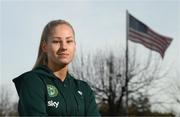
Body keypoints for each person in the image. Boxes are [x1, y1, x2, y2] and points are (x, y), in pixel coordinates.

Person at [12, 19, 100, 116]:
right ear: (44, 47)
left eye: (69, 41)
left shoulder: (84, 89)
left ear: (75, 46)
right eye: (56, 41)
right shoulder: (33, 81)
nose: (64, 47)